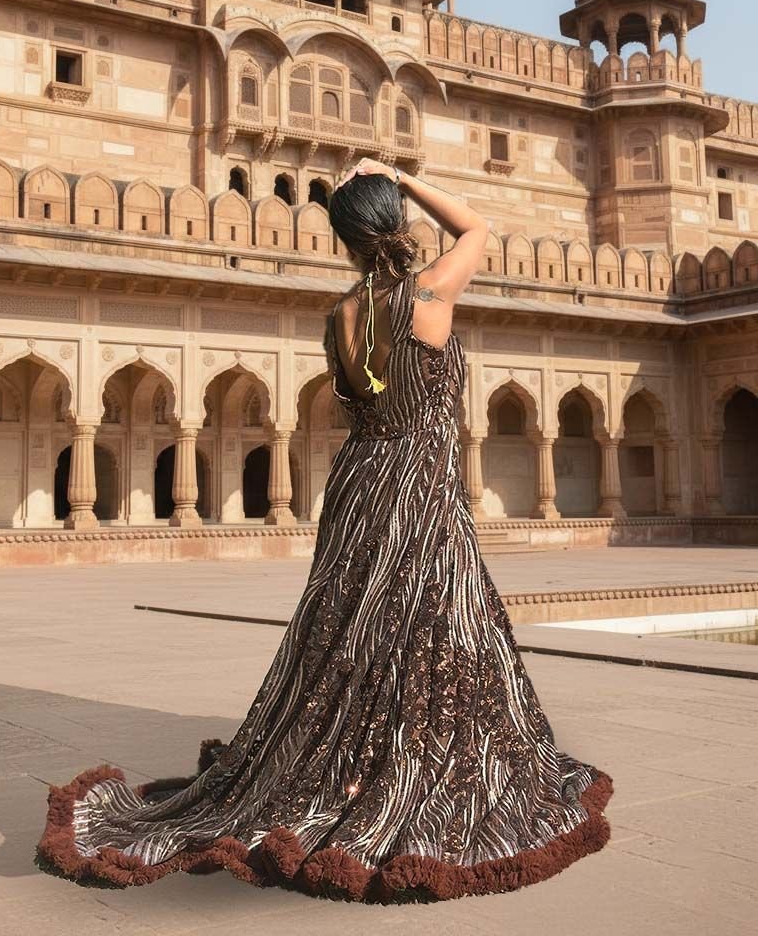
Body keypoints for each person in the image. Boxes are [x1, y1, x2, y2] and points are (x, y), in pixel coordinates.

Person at [35, 158, 614, 904]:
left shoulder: (338, 317)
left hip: (359, 485)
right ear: (397, 228)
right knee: (432, 623)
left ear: (343, 241)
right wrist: (405, 176)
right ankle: (403, 764)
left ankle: (344, 760)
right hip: (417, 487)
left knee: (351, 630)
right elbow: (478, 227)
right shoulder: (428, 295)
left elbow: (361, 402)